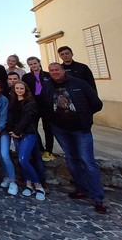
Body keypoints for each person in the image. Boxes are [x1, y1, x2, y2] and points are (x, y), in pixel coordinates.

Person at [38, 63, 106, 214]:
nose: (54, 72)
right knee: (71, 159)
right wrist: (52, 120)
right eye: (51, 71)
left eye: (57, 70)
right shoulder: (47, 86)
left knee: (87, 161)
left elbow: (96, 103)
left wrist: (84, 116)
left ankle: (98, 197)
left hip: (80, 129)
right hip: (60, 129)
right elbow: (44, 104)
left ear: (63, 70)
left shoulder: (78, 83)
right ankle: (81, 188)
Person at [8, 81, 46, 201]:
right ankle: (28, 184)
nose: (19, 90)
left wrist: (17, 131)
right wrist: (12, 131)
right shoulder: (12, 102)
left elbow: (28, 119)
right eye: (17, 88)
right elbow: (10, 118)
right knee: (22, 160)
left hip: (28, 134)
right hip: (16, 134)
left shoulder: (30, 103)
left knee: (23, 159)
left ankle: (38, 185)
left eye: (21, 88)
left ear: (26, 90)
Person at [23, 57, 54, 161]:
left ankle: (49, 150)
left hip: (46, 105)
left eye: (35, 63)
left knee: (48, 128)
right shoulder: (26, 77)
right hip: (34, 104)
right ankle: (40, 148)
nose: (33, 66)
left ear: (39, 63)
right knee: (33, 127)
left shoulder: (48, 75)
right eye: (31, 64)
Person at [0, 80, 17, 195]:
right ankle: (7, 176)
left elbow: (3, 116)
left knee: (5, 154)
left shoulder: (4, 100)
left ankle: (13, 181)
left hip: (3, 130)